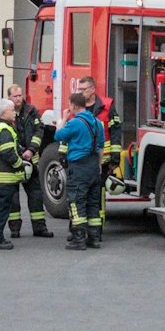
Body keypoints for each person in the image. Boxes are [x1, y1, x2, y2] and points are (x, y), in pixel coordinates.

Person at [51, 92, 105, 251]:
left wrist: (62, 119)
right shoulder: (97, 122)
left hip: (79, 167)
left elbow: (58, 135)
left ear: (74, 105)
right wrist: (99, 165)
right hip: (94, 166)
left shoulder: (75, 123)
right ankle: (94, 238)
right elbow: (100, 146)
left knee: (76, 202)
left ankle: (78, 239)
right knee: (93, 204)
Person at [76, 75, 121, 243]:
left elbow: (116, 130)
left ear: (93, 90)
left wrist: (115, 158)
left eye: (83, 89)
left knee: (98, 195)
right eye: (79, 90)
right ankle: (81, 229)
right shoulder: (78, 107)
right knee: (80, 195)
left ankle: (96, 229)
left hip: (102, 160)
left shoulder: (107, 106)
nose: (80, 93)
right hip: (81, 160)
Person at [5, 83, 52, 238]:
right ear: (9, 97)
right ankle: (15, 229)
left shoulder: (31, 111)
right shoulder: (6, 113)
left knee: (36, 195)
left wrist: (31, 150)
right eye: (15, 96)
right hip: (13, 161)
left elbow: (40, 131)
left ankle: (39, 227)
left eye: (20, 95)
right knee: (13, 197)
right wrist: (20, 152)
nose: (19, 99)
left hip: (31, 160)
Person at [0, 98, 26, 249]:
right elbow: (8, 153)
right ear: (4, 112)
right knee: (1, 210)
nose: (15, 113)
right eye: (11, 110)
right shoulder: (4, 130)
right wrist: (20, 165)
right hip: (5, 177)